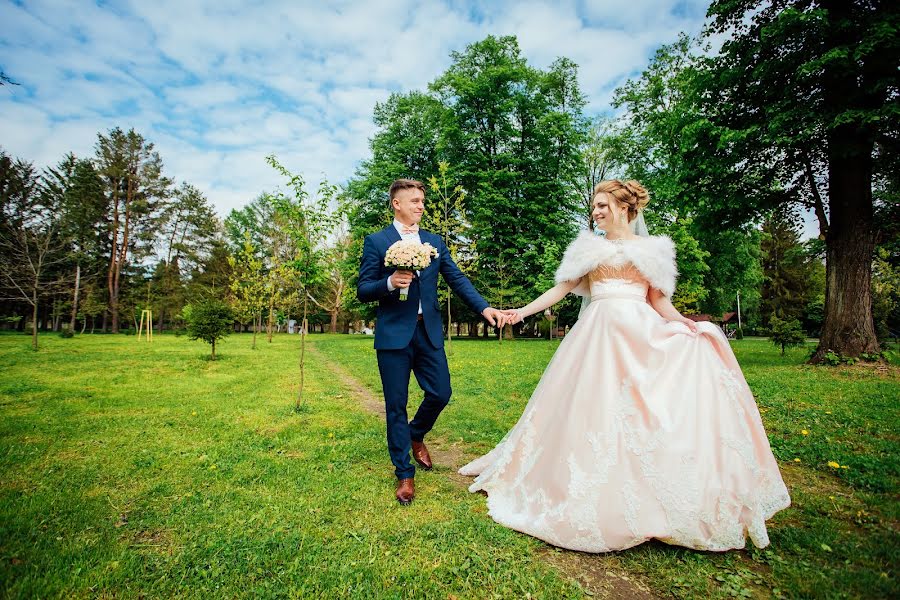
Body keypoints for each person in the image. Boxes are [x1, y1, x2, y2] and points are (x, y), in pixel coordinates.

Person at [460, 180, 790, 552]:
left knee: (640, 412)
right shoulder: (588, 249)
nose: (596, 212)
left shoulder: (654, 251)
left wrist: (684, 323)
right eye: (594, 207)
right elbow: (560, 289)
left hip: (639, 336)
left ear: (624, 207)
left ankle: (649, 495)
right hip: (596, 338)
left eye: (602, 205)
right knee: (591, 410)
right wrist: (520, 312)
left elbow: (660, 303)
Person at [357, 178, 509, 505]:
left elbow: (456, 278)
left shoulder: (433, 241)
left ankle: (415, 433)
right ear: (396, 203)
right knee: (396, 405)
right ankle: (404, 474)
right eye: (414, 200)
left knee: (441, 392)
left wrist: (484, 308)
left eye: (422, 200)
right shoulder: (377, 241)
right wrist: (389, 282)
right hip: (394, 335)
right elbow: (363, 289)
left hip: (429, 331)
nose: (420, 206)